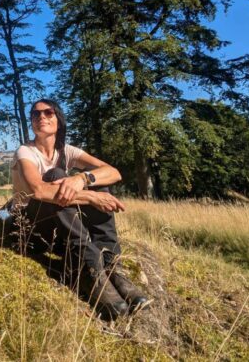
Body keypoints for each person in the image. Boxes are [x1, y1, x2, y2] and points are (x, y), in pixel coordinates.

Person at [10, 98, 149, 319]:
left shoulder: (67, 151)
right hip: (29, 228)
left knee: (97, 181)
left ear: (59, 120)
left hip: (59, 225)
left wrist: (83, 178)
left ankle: (113, 268)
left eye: (48, 113)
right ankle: (89, 270)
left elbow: (113, 172)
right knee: (56, 176)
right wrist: (91, 197)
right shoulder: (25, 152)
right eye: (35, 114)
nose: (41, 117)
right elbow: (38, 190)